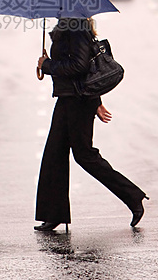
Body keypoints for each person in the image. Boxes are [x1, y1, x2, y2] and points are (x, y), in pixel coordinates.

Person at [35, 17, 148, 232]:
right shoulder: (69, 24)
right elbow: (84, 67)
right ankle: (53, 214)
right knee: (54, 154)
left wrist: (47, 65)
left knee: (85, 155)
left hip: (77, 101)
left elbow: (81, 65)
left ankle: (133, 196)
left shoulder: (76, 26)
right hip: (69, 98)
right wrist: (96, 102)